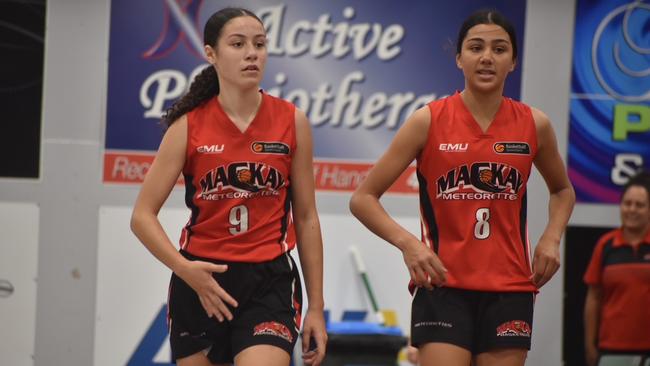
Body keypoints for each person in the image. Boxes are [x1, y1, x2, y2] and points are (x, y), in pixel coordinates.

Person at [349, 9, 575, 366]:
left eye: (499, 49)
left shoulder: (535, 125)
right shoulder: (428, 120)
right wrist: (409, 245)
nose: (487, 57)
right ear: (459, 58)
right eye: (476, 47)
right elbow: (363, 198)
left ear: (513, 61)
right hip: (443, 287)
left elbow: (562, 191)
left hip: (510, 289)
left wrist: (552, 237)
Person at [130, 7, 327, 366]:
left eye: (260, 44)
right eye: (238, 44)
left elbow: (307, 217)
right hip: (200, 279)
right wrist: (185, 269)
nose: (252, 53)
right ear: (211, 54)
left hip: (268, 281)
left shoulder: (292, 121)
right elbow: (142, 216)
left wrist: (317, 306)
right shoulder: (187, 127)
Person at [583, 172, 650, 366]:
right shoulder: (605, 245)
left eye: (639, 205)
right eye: (627, 203)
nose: (632, 210)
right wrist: (589, 345)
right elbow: (593, 298)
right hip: (611, 351)